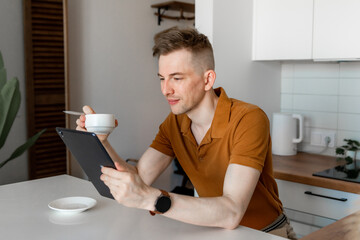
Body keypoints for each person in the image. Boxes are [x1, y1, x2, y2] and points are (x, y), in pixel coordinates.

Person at [76, 27, 297, 239]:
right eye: (162, 78)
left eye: (177, 78)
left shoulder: (248, 119)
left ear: (208, 80)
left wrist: (153, 199)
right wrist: (100, 141)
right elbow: (139, 178)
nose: (165, 90)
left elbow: (232, 212)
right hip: (214, 231)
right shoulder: (174, 123)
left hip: (265, 234)